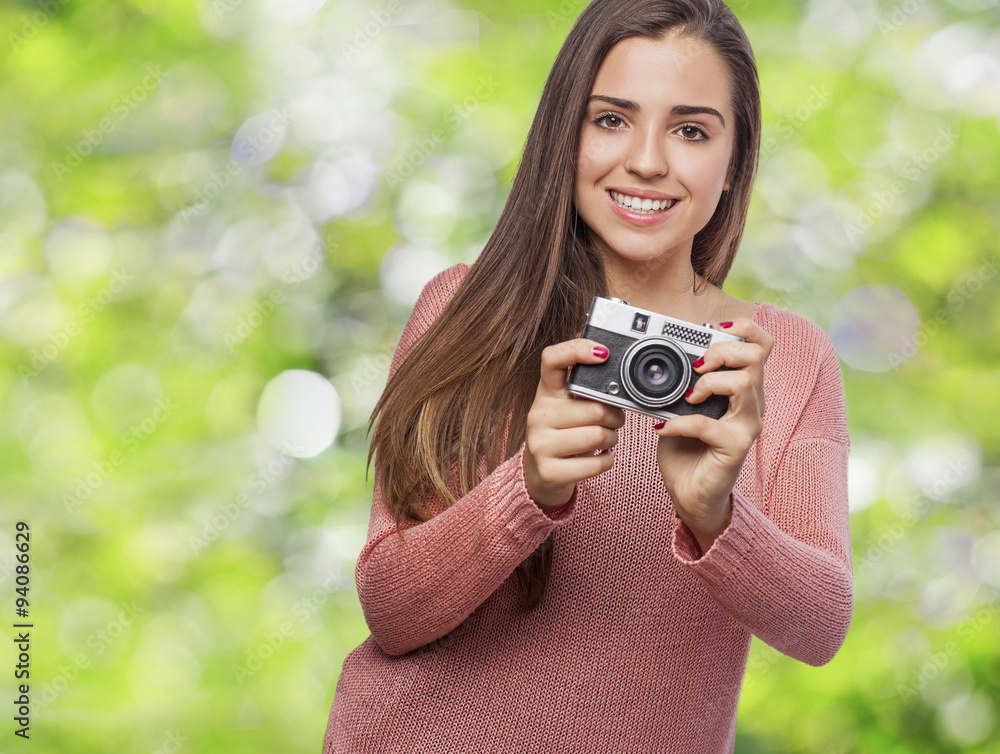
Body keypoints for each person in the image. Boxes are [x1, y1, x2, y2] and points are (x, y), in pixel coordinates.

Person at [323, 0, 852, 751]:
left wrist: (718, 518)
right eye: (611, 120)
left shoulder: (778, 359)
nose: (646, 160)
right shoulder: (466, 311)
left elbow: (821, 625)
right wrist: (525, 489)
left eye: (692, 130)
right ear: (565, 134)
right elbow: (391, 609)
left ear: (734, 161)